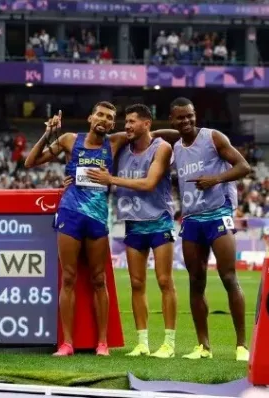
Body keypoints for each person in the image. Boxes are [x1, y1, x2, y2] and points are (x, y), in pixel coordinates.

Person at [25, 102, 178, 357]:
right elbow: (31, 161)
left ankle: (103, 343)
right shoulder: (69, 140)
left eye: (110, 118)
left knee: (99, 279)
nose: (104, 120)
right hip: (70, 213)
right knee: (69, 278)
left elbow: (153, 135)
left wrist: (176, 130)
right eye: (100, 115)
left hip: (97, 217)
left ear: (112, 124)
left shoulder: (116, 141)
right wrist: (48, 132)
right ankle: (67, 343)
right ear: (90, 116)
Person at [85, 104, 177, 359]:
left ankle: (169, 343)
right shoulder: (121, 150)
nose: (126, 126)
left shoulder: (162, 148)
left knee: (164, 281)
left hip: (159, 220)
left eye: (132, 121)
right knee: (136, 284)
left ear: (147, 124)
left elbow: (148, 183)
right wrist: (76, 178)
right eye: (125, 121)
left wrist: (112, 180)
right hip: (133, 223)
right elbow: (95, 164)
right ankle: (142, 342)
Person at [168, 97, 251, 361]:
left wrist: (216, 178)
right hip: (191, 219)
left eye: (190, 115)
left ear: (195, 115)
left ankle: (241, 345)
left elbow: (244, 167)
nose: (187, 120)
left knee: (228, 277)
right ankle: (203, 347)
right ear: (173, 120)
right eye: (181, 117)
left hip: (218, 214)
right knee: (195, 282)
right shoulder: (176, 148)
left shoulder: (213, 137)